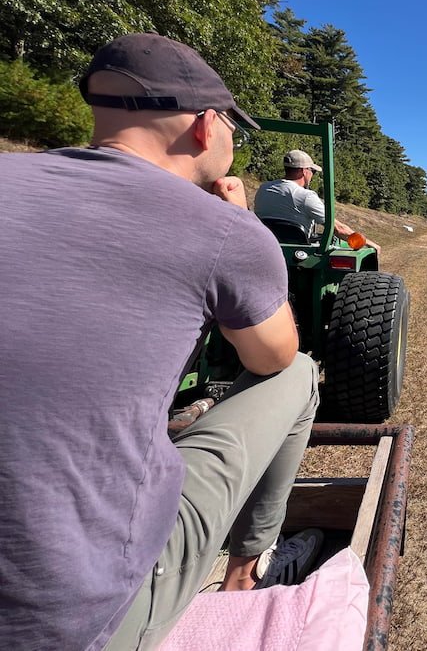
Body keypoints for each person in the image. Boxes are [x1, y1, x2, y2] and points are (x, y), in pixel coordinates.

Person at [0, 33, 324, 650]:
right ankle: (247, 568)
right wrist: (239, 221)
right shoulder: (232, 228)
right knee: (298, 370)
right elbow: (271, 356)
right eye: (234, 127)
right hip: (77, 619)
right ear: (206, 126)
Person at [254, 149, 381, 253]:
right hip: (298, 254)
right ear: (304, 171)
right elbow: (338, 229)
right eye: (312, 171)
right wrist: (370, 243)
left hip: (266, 247)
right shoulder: (305, 196)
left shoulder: (264, 188)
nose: (312, 175)